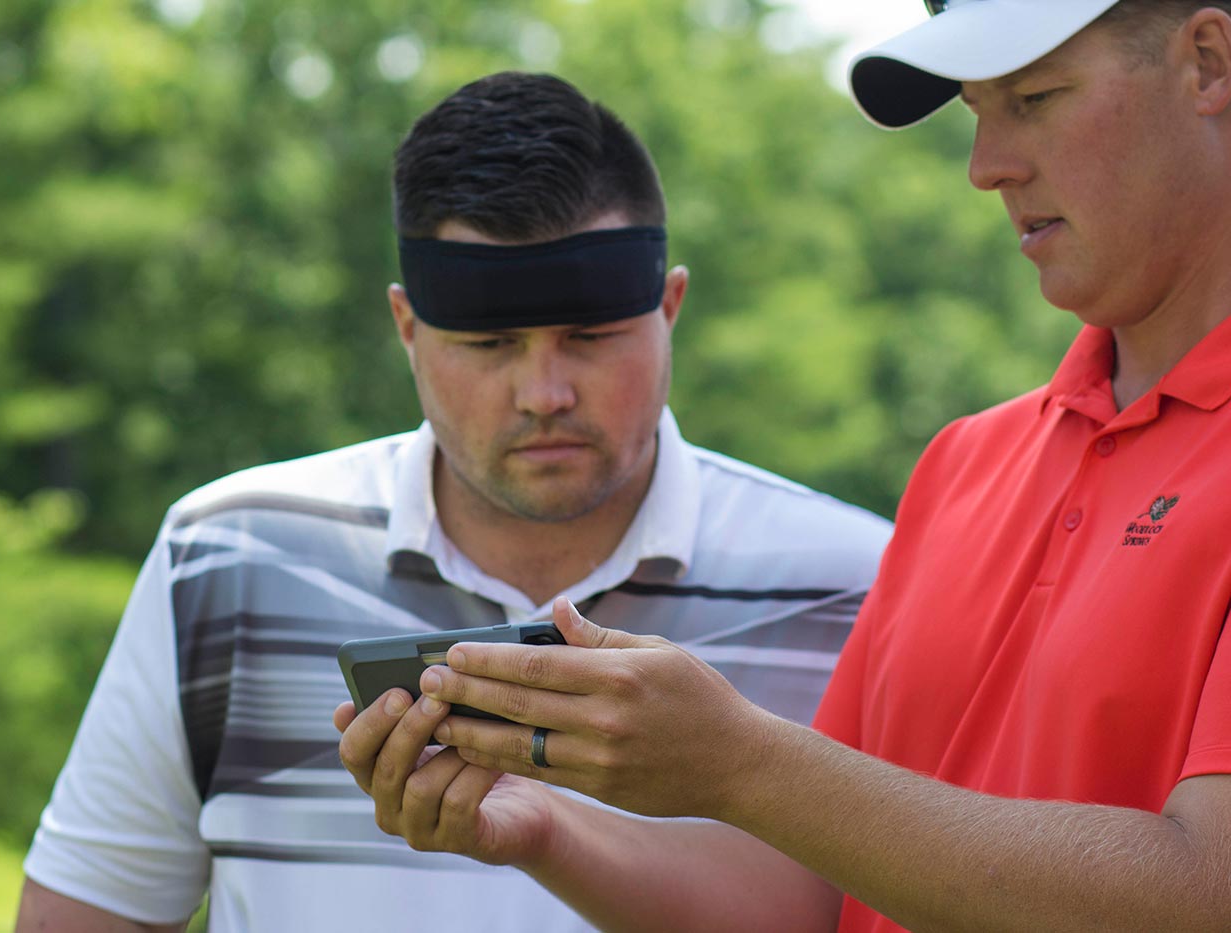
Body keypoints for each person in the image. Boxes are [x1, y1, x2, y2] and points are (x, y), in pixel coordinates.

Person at [336, 4, 1231, 931]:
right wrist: (540, 827)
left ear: (1206, 63)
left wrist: (740, 763)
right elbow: (823, 890)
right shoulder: (967, 463)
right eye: (976, 110)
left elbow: (1211, 892)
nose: (985, 166)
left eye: (1036, 97)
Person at [13, 71, 892, 931]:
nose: (543, 390)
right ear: (406, 327)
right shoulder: (227, 557)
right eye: (488, 342)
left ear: (670, 308)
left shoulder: (859, 585)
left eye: (591, 336)